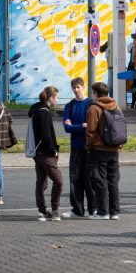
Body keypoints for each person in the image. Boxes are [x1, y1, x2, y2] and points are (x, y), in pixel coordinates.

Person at [85, 82, 123, 220]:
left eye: (92, 92)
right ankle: (114, 212)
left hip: (99, 149)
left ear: (95, 93)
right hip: (114, 148)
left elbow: (90, 131)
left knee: (100, 180)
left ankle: (103, 212)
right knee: (113, 180)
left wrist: (88, 146)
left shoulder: (94, 108)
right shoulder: (116, 106)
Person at [62, 77, 96, 219]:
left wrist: (76, 127)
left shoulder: (91, 104)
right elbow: (67, 127)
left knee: (91, 179)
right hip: (76, 147)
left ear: (83, 87)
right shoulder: (69, 106)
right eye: (74, 88)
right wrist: (81, 126)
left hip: (90, 147)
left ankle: (94, 209)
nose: (76, 90)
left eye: (78, 87)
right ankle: (77, 209)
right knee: (75, 179)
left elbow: (93, 125)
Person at [29, 86, 63, 221]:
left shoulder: (37, 110)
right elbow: (46, 134)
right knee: (58, 180)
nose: (57, 100)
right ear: (51, 98)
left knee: (42, 182)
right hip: (45, 153)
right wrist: (53, 150)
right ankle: (55, 210)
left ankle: (42, 211)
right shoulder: (44, 112)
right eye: (57, 97)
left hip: (38, 152)